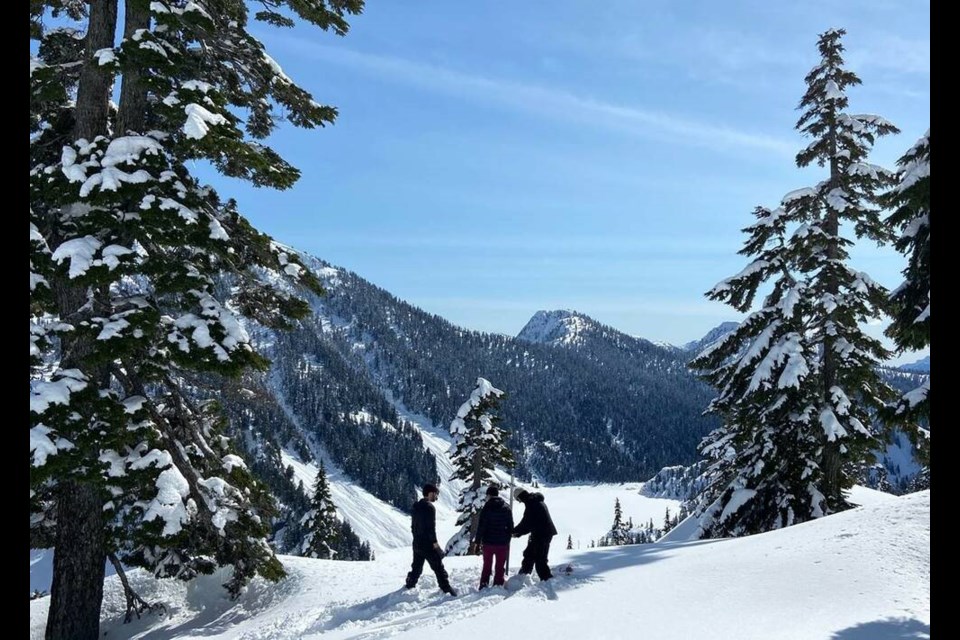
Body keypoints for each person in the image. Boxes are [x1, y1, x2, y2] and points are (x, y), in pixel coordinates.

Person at [405, 483, 457, 596]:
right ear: (430, 493)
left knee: (416, 567)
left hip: (417, 543)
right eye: (435, 494)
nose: (436, 497)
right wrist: (435, 544)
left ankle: (409, 585)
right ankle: (447, 590)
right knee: (438, 568)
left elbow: (413, 526)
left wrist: (416, 538)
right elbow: (430, 528)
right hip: (427, 544)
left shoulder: (416, 506)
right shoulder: (429, 508)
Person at [472, 484, 514, 589]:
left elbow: (481, 527)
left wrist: (477, 543)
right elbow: (510, 527)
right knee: (500, 566)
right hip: (502, 543)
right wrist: (507, 540)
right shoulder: (506, 507)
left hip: (488, 543)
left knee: (487, 565)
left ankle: (484, 585)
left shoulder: (486, 508)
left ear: (489, 495)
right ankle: (498, 585)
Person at [512, 487, 558, 581]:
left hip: (542, 534)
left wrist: (515, 532)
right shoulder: (534, 500)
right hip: (541, 532)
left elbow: (526, 523)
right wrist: (517, 532)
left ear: (520, 497)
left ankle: (547, 579)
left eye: (518, 500)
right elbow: (529, 522)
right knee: (529, 553)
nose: (519, 502)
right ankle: (524, 574)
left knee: (540, 559)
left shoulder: (531, 503)